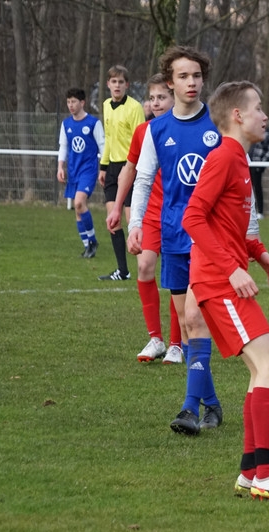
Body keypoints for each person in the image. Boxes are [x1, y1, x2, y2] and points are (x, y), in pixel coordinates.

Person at [183, 80, 269, 502]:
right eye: (258, 107)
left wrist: (260, 254)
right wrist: (233, 269)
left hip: (225, 279)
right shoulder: (223, 157)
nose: (264, 115)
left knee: (262, 371)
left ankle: (250, 471)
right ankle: (266, 475)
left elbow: (229, 227)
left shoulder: (239, 159)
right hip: (219, 283)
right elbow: (193, 218)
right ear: (237, 116)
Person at [129, 45, 224, 435]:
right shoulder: (157, 129)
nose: (191, 82)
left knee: (195, 320)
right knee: (187, 327)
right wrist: (136, 223)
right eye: (183, 76)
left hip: (208, 238)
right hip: (172, 236)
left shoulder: (218, 125)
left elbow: (239, 180)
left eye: (197, 76)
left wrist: (249, 232)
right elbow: (144, 180)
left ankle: (188, 409)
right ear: (170, 82)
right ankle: (212, 405)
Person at [106, 73, 184, 364]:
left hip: (179, 215)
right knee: (144, 266)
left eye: (161, 97)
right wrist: (116, 208)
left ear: (174, 97)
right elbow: (129, 171)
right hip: (151, 213)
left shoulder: (186, 130)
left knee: (177, 278)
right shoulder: (144, 131)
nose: (156, 103)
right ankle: (156, 339)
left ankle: (176, 344)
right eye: (152, 98)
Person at [98, 65, 145, 281]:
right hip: (112, 168)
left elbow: (141, 141)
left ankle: (144, 268)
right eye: (113, 81)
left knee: (132, 221)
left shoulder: (135, 108)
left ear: (127, 85)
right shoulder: (106, 105)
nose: (117, 85)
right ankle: (123, 270)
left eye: (121, 82)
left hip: (130, 168)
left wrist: (132, 168)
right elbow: (108, 138)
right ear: (108, 84)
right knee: (112, 221)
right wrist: (103, 166)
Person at [57, 87, 104, 259]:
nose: (71, 105)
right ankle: (87, 247)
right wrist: (60, 167)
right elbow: (63, 147)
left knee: (78, 203)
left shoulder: (93, 123)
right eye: (68, 102)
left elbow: (103, 146)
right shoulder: (66, 124)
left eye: (74, 102)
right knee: (78, 210)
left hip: (88, 170)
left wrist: (103, 168)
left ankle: (93, 241)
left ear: (82, 103)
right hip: (73, 170)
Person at [248, 126, 269, 218]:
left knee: (257, 188)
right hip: (248, 163)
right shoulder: (252, 131)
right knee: (247, 188)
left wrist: (262, 163)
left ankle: (260, 212)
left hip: (257, 165)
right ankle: (248, 210)